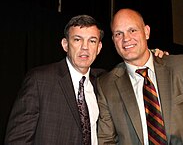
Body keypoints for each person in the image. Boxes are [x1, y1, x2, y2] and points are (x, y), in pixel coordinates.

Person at [4, 14, 167, 145]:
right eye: (77, 40)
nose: (85, 47)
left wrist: (154, 56)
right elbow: (17, 139)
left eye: (92, 41)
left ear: (99, 48)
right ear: (65, 44)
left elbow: (134, 68)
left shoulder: (104, 80)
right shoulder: (40, 80)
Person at [97, 8, 183, 145]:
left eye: (132, 30)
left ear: (146, 32)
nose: (126, 39)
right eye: (119, 33)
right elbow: (106, 140)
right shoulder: (106, 85)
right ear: (113, 40)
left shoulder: (182, 67)